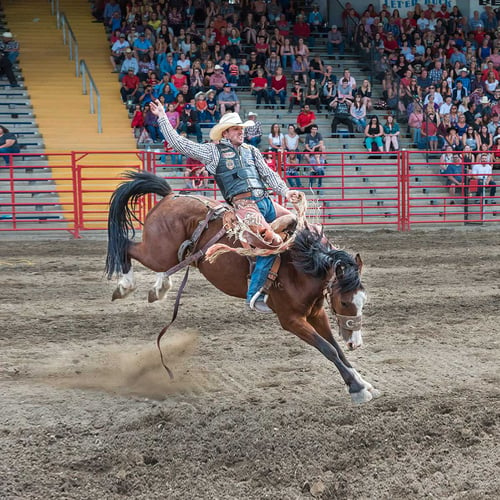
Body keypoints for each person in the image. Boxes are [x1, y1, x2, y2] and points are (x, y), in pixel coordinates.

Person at [150, 101, 303, 313]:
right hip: (244, 206)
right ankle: (254, 293)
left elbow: (268, 175)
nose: (241, 132)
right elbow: (180, 144)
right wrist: (162, 117)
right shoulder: (213, 152)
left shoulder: (252, 151)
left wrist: (286, 191)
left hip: (266, 201)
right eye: (236, 129)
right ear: (225, 133)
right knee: (269, 240)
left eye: (242, 129)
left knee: (297, 225)